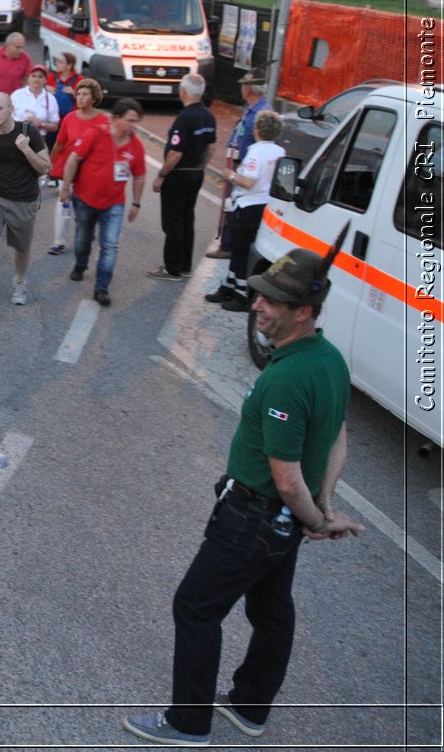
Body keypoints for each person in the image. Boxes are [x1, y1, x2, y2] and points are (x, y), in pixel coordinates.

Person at [124, 240, 364, 747]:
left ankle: (188, 723)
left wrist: (319, 519)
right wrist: (320, 505)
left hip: (252, 517)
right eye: (259, 295)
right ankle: (251, 706)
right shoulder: (330, 361)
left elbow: (286, 477)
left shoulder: (288, 378)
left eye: (271, 300)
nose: (257, 304)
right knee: (272, 610)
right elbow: (337, 436)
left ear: (304, 312)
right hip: (281, 524)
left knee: (195, 606)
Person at [0, 93, 50, 318]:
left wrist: (26, 149)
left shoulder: (28, 132)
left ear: (11, 109)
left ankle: (20, 281)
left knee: (21, 248)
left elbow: (45, 167)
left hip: (24, 200)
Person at [61, 99, 147, 307]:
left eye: (136, 121)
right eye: (130, 121)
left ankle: (102, 287)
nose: (134, 126)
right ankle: (81, 264)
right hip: (85, 199)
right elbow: (73, 159)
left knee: (109, 246)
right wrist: (66, 187)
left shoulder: (136, 145)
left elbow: (139, 176)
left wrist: (136, 203)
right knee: (83, 239)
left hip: (114, 204)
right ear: (116, 119)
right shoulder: (95, 134)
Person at [206, 110, 285, 311]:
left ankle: (241, 294)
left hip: (248, 205)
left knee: (239, 251)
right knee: (242, 250)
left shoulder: (256, 152)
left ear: (258, 130)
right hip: (266, 206)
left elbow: (248, 181)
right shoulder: (279, 152)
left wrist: (231, 176)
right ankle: (229, 286)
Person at [147, 74, 217, 282]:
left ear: (183, 92)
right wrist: (200, 167)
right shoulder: (208, 116)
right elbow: (211, 148)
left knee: (173, 221)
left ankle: (172, 268)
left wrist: (161, 175)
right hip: (196, 172)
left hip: (178, 174)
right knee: (187, 218)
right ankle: (185, 264)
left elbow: (175, 153)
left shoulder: (185, 118)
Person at [208, 69, 270, 259]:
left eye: (244, 85)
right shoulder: (250, 108)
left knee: (235, 205)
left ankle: (229, 245)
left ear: (250, 88)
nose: (241, 88)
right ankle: (228, 244)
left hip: (247, 165)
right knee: (231, 203)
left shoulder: (261, 112)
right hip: (239, 161)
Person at [45, 78, 108, 255]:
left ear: (94, 98)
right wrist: (51, 162)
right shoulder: (70, 118)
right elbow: (60, 143)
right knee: (63, 202)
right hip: (70, 168)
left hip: (92, 172)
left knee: (86, 208)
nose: (80, 98)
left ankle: (88, 231)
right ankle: (59, 242)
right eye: (78, 94)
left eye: (85, 94)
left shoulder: (103, 121)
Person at [11, 65, 61, 138]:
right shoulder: (17, 94)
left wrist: (41, 124)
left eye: (40, 76)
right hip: (16, 136)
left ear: (45, 80)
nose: (36, 79)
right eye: (33, 76)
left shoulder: (50, 99)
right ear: (28, 78)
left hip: (39, 139)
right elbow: (7, 117)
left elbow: (55, 126)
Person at [0, 32, 32, 96]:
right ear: (8, 46)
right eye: (17, 47)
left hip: (15, 100)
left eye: (22, 47)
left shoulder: (25, 58)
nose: (20, 50)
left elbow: (27, 80)